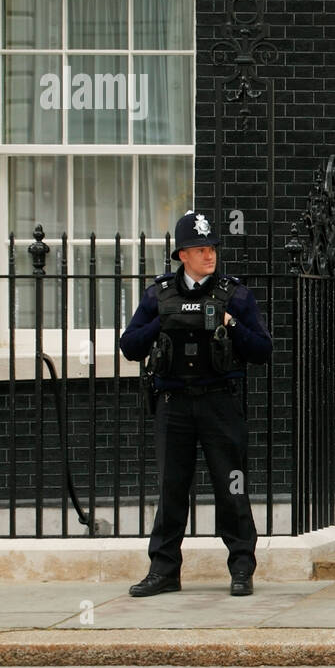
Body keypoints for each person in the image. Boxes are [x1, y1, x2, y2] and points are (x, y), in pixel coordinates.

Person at [120, 210, 272, 597]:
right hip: (173, 403)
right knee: (171, 488)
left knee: (231, 487)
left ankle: (241, 568)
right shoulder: (159, 294)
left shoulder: (235, 294)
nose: (210, 256)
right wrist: (165, 321)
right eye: (201, 249)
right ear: (182, 255)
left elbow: (262, 351)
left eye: (212, 248)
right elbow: (130, 346)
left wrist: (229, 322)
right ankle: (164, 571)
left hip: (220, 402)